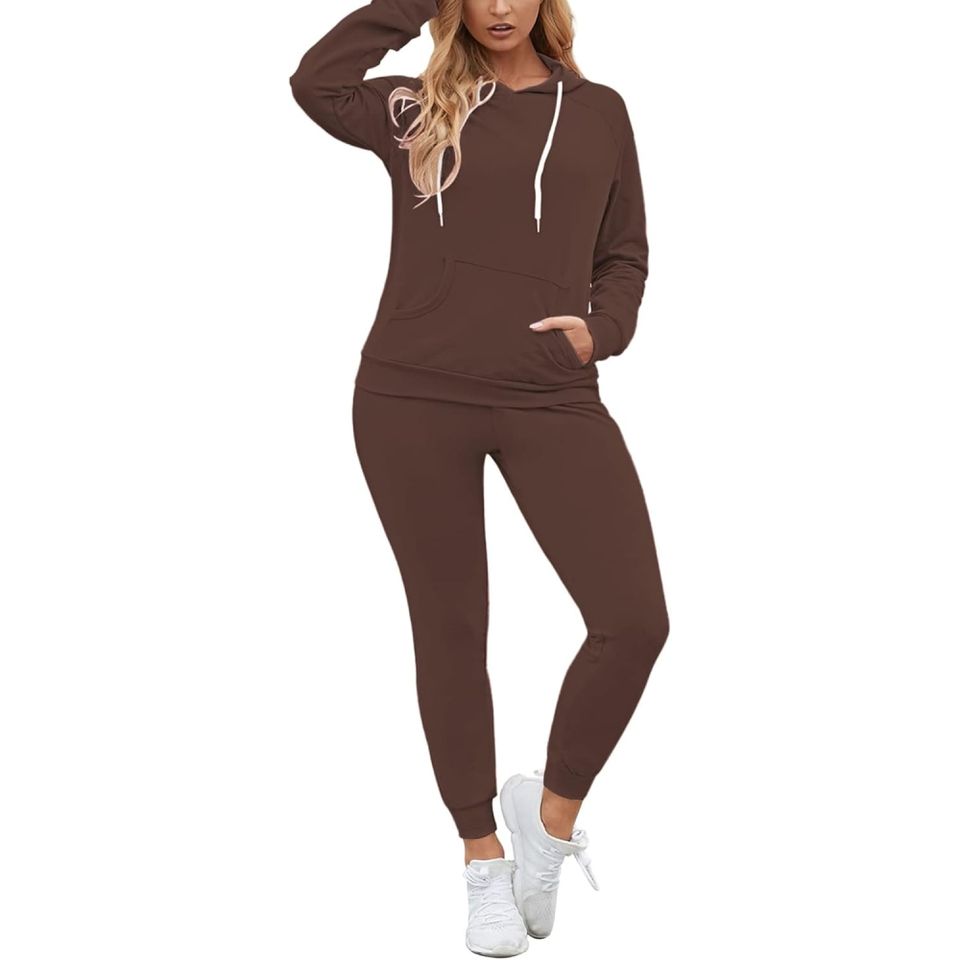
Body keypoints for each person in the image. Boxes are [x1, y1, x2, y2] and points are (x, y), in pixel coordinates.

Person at [289, 0, 670, 954]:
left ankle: (548, 820)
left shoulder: (599, 112)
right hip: (410, 397)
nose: (500, 5)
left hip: (550, 396)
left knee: (634, 620)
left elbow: (624, 254)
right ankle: (481, 859)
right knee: (453, 628)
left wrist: (601, 333)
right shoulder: (417, 108)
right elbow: (316, 84)